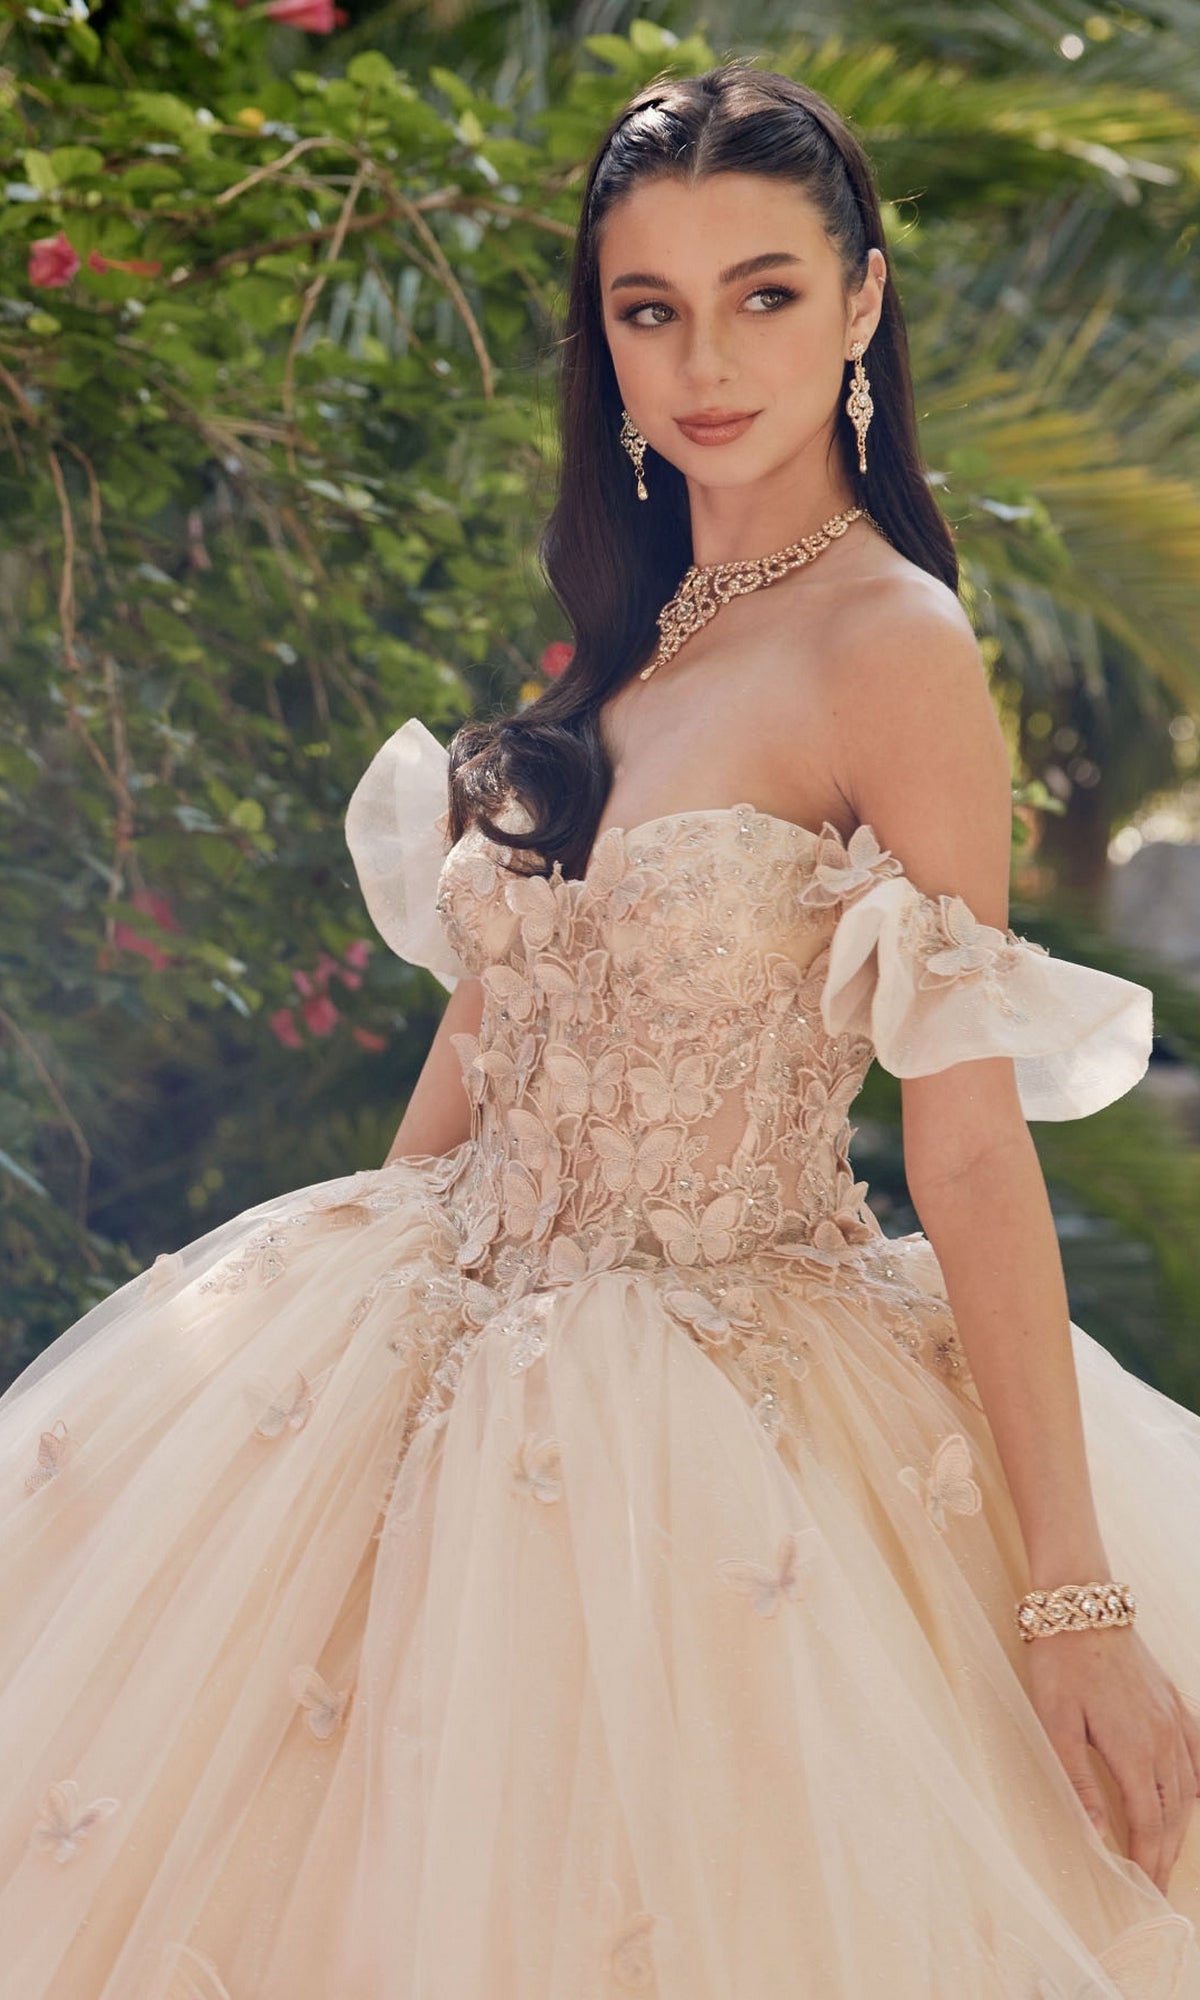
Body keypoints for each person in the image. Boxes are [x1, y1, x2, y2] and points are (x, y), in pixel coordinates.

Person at [0, 59, 1198, 2000]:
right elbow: (494, 1025)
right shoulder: (641, 631)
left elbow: (967, 1138)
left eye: (765, 294)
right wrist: (316, 1420)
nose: (705, 357)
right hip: (442, 1325)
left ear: (863, 303)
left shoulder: (888, 643)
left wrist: (1071, 1598)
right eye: (650, 309)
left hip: (713, 1415)